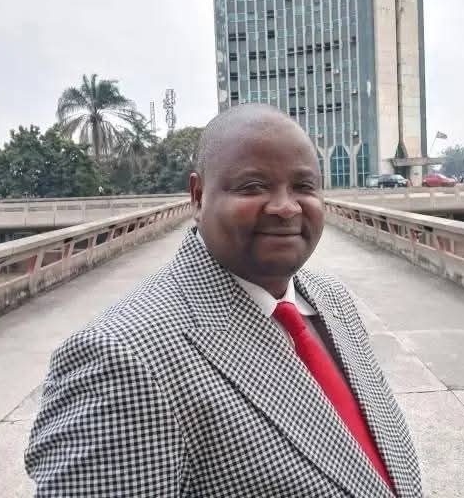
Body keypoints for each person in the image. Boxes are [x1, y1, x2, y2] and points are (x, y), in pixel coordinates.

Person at [25, 104, 422, 497]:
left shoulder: (332, 299)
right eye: (253, 187)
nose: (286, 207)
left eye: (304, 187)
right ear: (198, 197)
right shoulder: (120, 358)